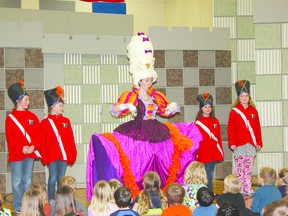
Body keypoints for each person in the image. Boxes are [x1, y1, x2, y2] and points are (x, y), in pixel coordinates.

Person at [86, 32, 202, 200]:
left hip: (156, 129)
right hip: (138, 130)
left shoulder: (156, 96)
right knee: (137, 158)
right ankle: (137, 190)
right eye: (146, 80)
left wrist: (170, 108)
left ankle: (161, 190)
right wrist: (126, 106)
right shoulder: (131, 95)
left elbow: (163, 112)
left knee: (166, 155)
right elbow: (115, 110)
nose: (149, 83)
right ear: (139, 81)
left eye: (150, 80)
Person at [5, 81, 41, 213]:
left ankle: (28, 205)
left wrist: (33, 146)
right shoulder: (11, 118)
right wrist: (22, 148)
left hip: (30, 153)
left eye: (28, 99)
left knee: (27, 180)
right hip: (17, 154)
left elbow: (38, 134)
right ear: (18, 101)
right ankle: (18, 206)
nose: (28, 102)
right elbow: (11, 137)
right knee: (17, 181)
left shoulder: (32, 117)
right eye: (26, 99)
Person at [40, 86, 77, 204]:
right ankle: (51, 199)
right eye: (60, 105)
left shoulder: (66, 121)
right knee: (52, 178)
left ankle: (61, 199)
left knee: (61, 179)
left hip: (64, 156)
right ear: (52, 106)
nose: (62, 108)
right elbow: (42, 142)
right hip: (51, 156)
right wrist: (44, 157)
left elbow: (71, 139)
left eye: (62, 105)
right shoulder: (45, 123)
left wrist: (72, 154)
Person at [227, 80, 263, 196]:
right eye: (242, 96)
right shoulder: (234, 112)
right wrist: (231, 142)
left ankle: (248, 187)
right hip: (239, 144)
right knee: (239, 169)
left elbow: (257, 128)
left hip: (251, 144)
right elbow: (230, 128)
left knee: (248, 168)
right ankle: (239, 188)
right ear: (238, 97)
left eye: (246, 95)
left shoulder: (254, 111)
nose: (244, 98)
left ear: (249, 97)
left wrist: (259, 142)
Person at [195, 93, 224, 190]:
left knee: (210, 175)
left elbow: (218, 138)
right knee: (205, 175)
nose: (207, 109)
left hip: (213, 153)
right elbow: (196, 140)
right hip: (203, 153)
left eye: (209, 107)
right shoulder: (198, 123)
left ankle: (209, 192)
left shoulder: (215, 121)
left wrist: (220, 152)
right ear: (201, 108)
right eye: (205, 107)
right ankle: (206, 193)